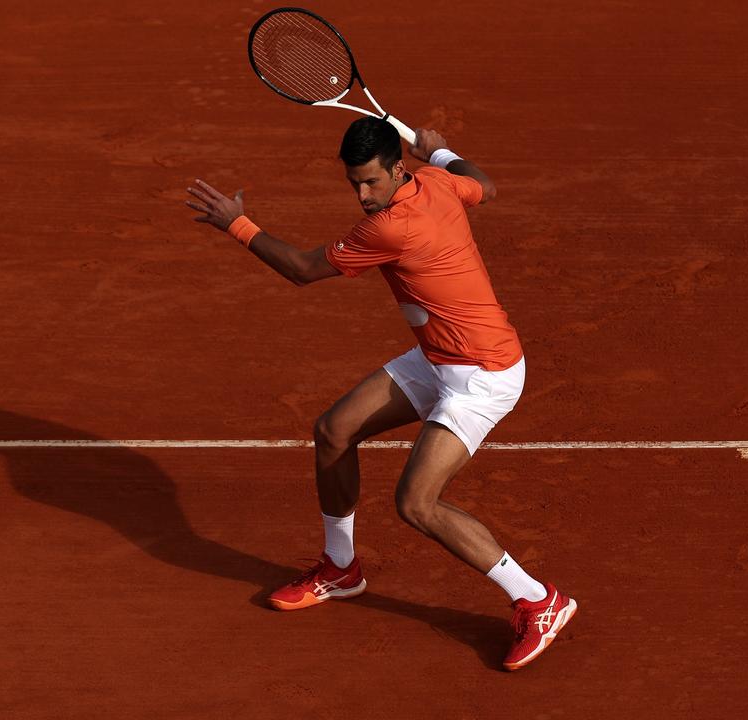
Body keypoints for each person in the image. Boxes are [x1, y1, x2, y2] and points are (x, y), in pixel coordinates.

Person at [183, 117, 576, 671]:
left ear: (397, 169)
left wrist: (237, 224)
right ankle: (339, 569)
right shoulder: (437, 182)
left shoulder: (392, 228)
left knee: (416, 503)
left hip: (482, 373)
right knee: (333, 431)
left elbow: (300, 269)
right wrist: (441, 153)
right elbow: (483, 184)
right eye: (353, 185)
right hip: (439, 357)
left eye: (371, 182)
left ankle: (538, 599)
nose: (363, 197)